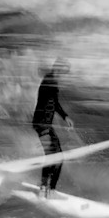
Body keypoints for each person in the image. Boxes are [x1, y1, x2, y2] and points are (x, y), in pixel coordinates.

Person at [32, 58, 74, 198]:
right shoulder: (49, 81)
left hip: (45, 125)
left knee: (58, 157)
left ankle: (50, 189)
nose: (64, 74)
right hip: (41, 124)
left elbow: (54, 103)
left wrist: (65, 117)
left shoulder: (52, 81)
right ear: (58, 69)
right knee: (52, 156)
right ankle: (45, 189)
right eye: (63, 71)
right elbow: (47, 103)